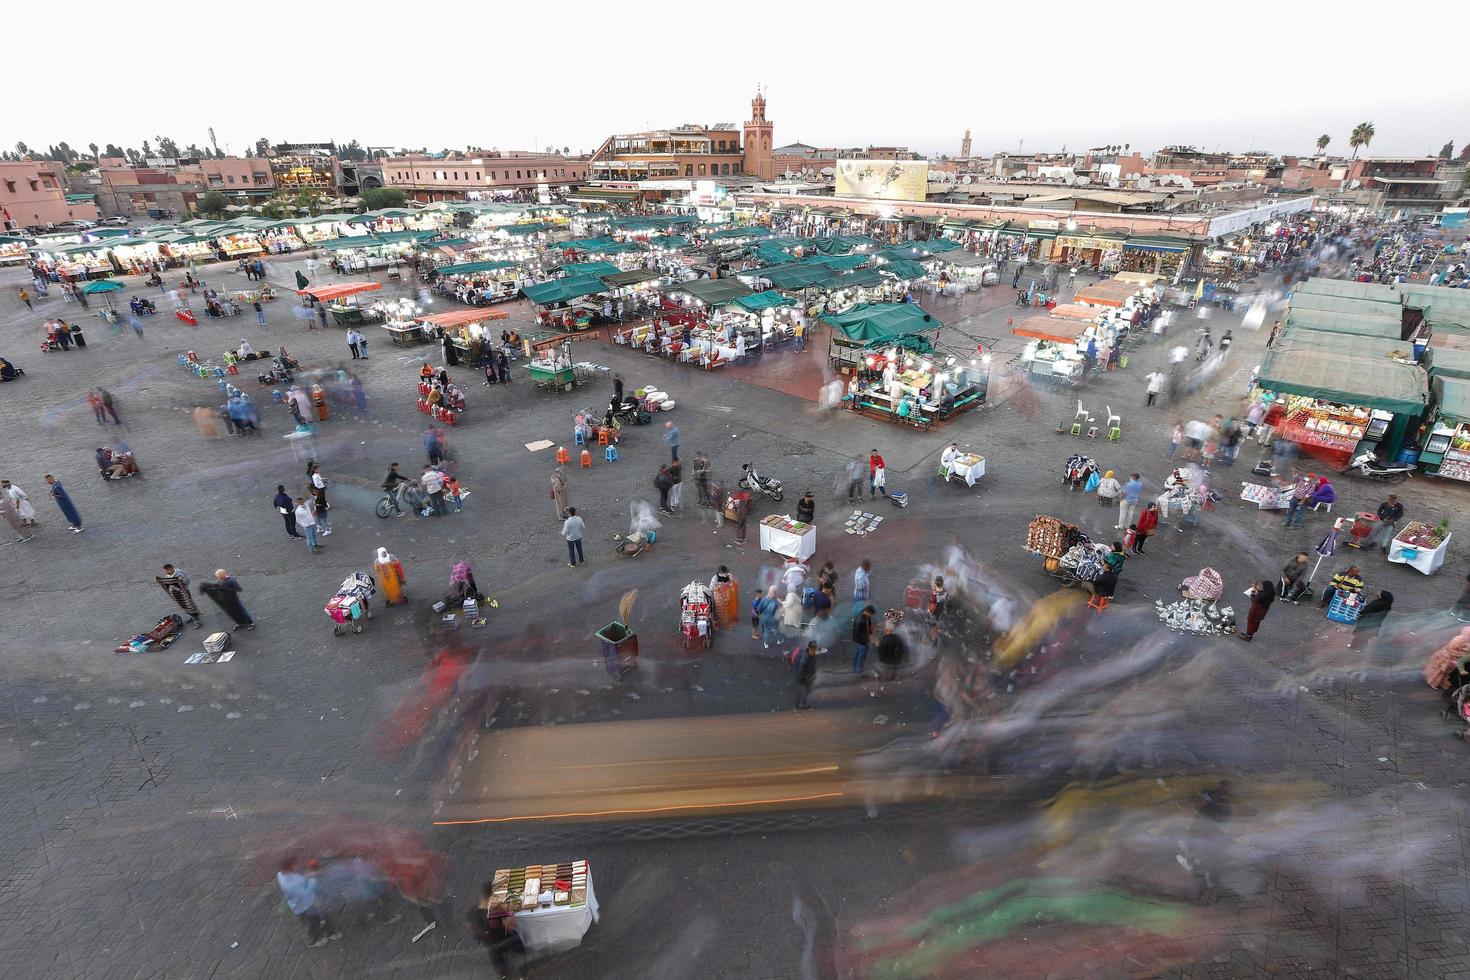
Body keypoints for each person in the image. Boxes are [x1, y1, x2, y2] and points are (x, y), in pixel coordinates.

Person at [278, 858, 339, 948]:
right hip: (304, 906)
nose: (295, 865)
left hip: (304, 903)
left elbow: (299, 880)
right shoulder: (290, 884)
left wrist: (309, 875)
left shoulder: (281, 875)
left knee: (320, 916)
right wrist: (313, 879)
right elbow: (305, 893)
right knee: (313, 922)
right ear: (288, 867)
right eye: (293, 864)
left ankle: (326, 929)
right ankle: (313, 941)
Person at [467, 882, 522, 978]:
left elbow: (470, 927)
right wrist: (510, 911)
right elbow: (512, 924)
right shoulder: (495, 911)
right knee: (520, 949)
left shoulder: (471, 912)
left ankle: (504, 975)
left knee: (502, 970)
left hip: (489, 945)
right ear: (492, 894)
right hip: (505, 940)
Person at [155, 563, 203, 628]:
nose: (166, 572)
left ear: (170, 569)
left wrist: (182, 580)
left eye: (166, 571)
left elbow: (188, 581)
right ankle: (193, 616)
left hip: (184, 592)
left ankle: (196, 621)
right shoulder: (168, 576)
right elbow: (167, 583)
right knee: (184, 606)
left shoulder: (180, 573)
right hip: (176, 594)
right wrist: (159, 581)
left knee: (189, 605)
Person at [793, 640, 820, 709]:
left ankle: (802, 705)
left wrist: (812, 675)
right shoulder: (805, 656)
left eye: (814, 648)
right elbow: (801, 667)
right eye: (812, 648)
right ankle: (797, 706)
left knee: (806, 691)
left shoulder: (813, 655)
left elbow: (812, 666)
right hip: (803, 677)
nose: (813, 649)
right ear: (809, 647)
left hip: (808, 677)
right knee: (802, 692)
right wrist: (803, 676)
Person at [851, 605, 876, 674]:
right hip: (860, 640)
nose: (871, 616)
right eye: (871, 614)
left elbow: (868, 625)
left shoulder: (865, 615)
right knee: (861, 654)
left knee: (858, 653)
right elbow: (858, 632)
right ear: (868, 612)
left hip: (858, 639)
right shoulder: (861, 620)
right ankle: (858, 669)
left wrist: (871, 633)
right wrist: (868, 639)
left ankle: (855, 667)